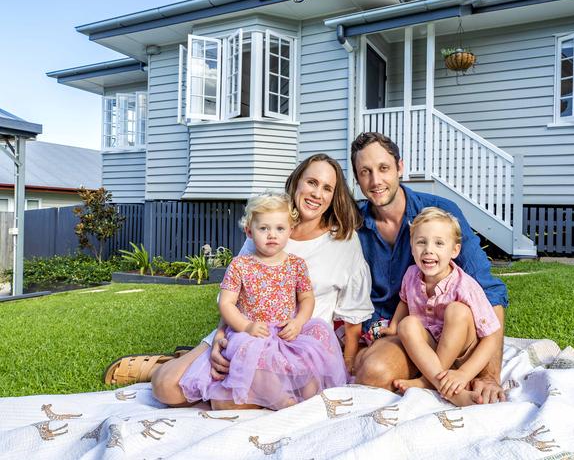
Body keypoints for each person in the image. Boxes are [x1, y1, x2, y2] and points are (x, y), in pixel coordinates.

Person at [150, 154, 373, 407]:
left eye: (327, 188)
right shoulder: (267, 224)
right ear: (297, 182)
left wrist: (345, 364)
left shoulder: (343, 241)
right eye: (311, 182)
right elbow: (232, 297)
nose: (317, 194)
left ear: (334, 196)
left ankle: (246, 391)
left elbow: (353, 316)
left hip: (295, 345)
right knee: (165, 387)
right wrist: (220, 339)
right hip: (243, 332)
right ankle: (165, 364)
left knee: (227, 402)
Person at [350, 132, 509, 404]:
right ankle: (437, 380)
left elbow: (489, 290)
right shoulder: (351, 222)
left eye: (384, 168)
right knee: (372, 373)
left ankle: (439, 378)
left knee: (458, 313)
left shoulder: (440, 213)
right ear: (357, 178)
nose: (375, 181)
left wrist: (489, 375)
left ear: (400, 167)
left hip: (450, 329)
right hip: (403, 331)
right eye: (365, 172)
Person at [178, 193, 347, 410]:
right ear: (250, 231)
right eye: (263, 228)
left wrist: (298, 323)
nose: (272, 235)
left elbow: (306, 298)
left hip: (287, 333)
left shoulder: (296, 265)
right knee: (254, 368)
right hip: (253, 334)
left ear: (290, 231)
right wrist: (246, 326)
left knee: (311, 372)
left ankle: (304, 396)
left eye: (279, 228)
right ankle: (282, 401)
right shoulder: (241, 265)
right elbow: (227, 303)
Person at [383, 207, 501, 407]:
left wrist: (464, 374)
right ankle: (443, 387)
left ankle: (429, 381)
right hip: (431, 352)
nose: (429, 249)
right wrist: (393, 327)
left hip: (462, 356)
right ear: (412, 247)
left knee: (457, 310)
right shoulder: (411, 275)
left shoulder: (464, 285)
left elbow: (490, 337)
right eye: (421, 242)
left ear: (454, 250)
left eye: (439, 243)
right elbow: (404, 301)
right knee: (407, 324)